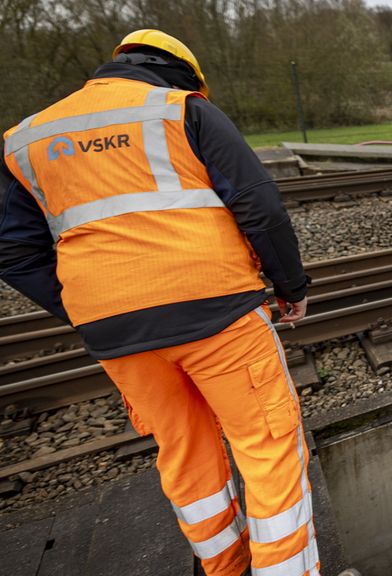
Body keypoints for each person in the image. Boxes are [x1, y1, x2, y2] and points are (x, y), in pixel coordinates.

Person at [1, 30, 317, 576]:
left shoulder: (27, 137)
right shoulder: (183, 110)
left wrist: (90, 305)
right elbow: (259, 206)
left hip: (119, 336)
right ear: (187, 75)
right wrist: (291, 289)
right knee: (266, 449)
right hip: (218, 315)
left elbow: (13, 251)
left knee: (185, 453)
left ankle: (225, 568)